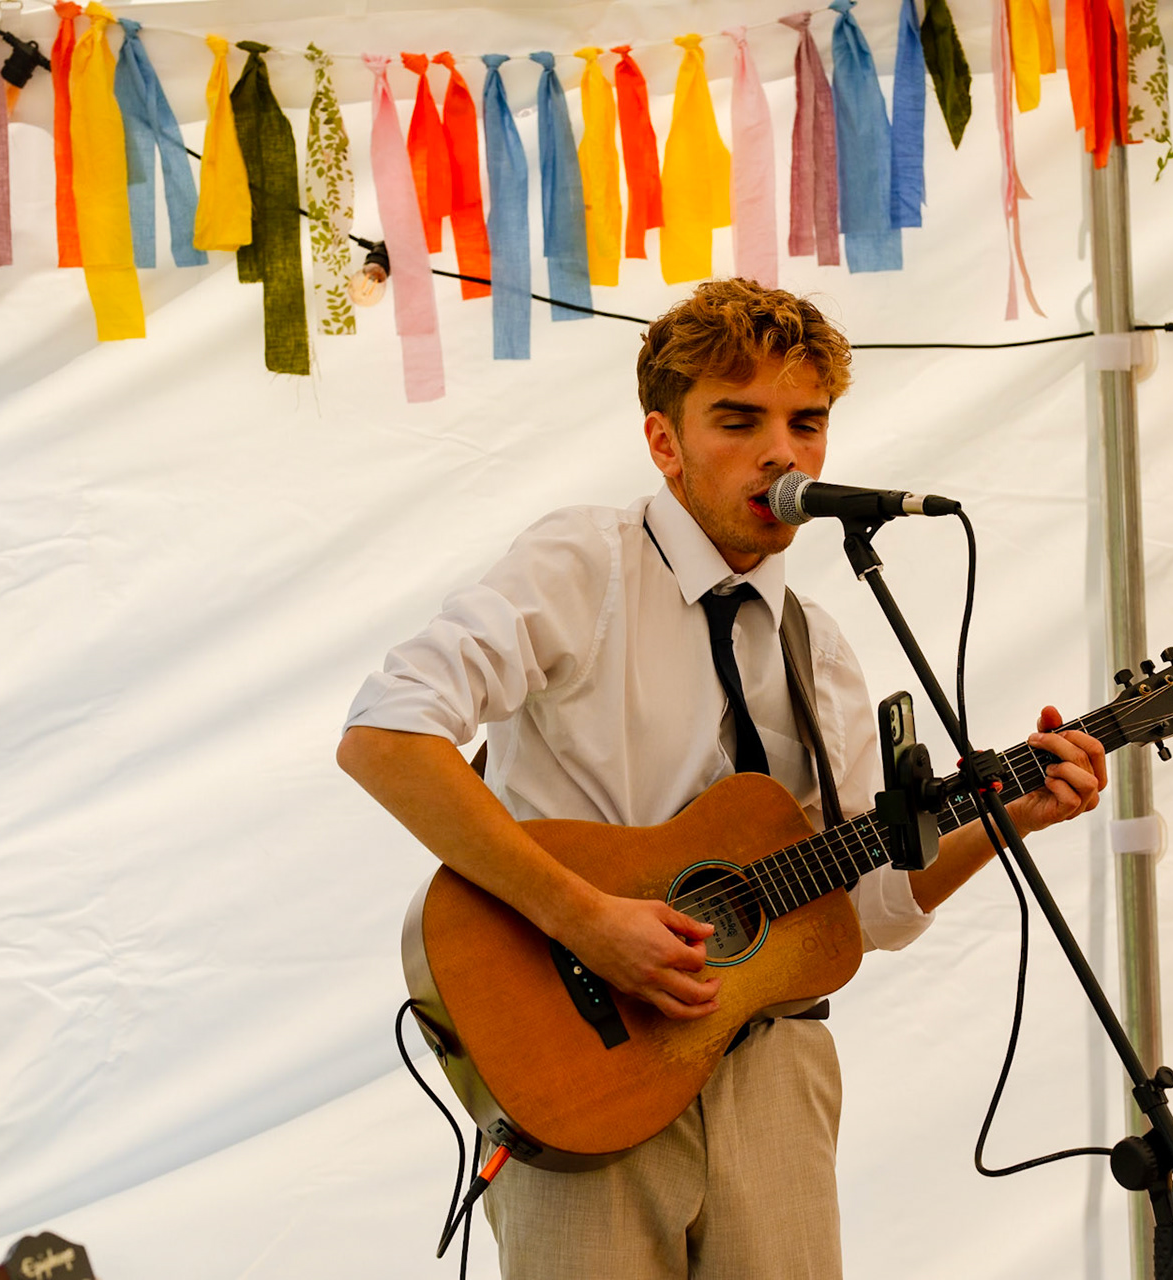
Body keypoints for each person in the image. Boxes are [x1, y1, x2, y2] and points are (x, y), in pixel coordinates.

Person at [337, 279, 1106, 1279]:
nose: (781, 451)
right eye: (738, 420)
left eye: (806, 422)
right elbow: (385, 734)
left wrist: (1004, 822)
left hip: (773, 1067)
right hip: (583, 1060)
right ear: (665, 440)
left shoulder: (816, 647)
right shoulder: (584, 565)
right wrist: (586, 918)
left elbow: (867, 905)